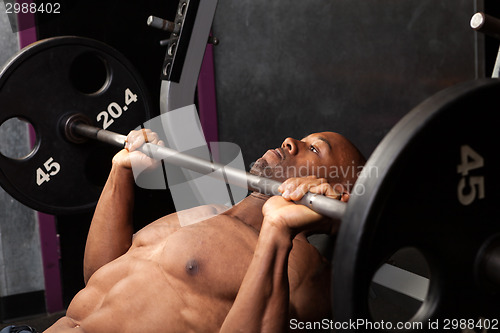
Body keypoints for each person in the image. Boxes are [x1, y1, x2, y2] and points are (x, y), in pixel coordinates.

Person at [42, 129, 365, 333]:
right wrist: (121, 170)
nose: (291, 142)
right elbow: (99, 278)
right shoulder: (205, 213)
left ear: (335, 191)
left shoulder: (298, 263)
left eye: (315, 149)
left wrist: (278, 229)